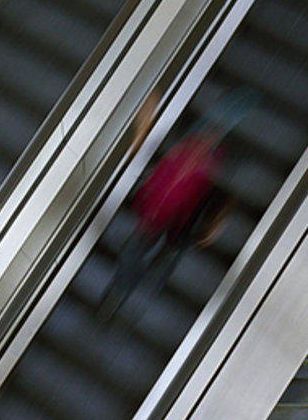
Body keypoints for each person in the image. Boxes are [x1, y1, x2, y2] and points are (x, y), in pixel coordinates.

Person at [98, 88, 251, 319]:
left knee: (160, 257)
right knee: (134, 253)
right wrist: (142, 203)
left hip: (172, 226)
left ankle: (143, 286)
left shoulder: (205, 168)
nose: (200, 147)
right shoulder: (182, 155)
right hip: (153, 219)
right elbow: (158, 180)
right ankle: (119, 292)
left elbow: (189, 200)